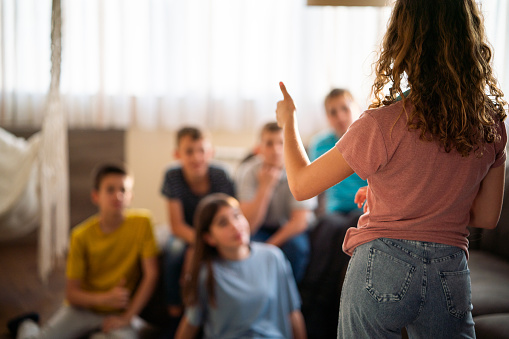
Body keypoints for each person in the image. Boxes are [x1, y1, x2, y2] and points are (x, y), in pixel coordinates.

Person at [275, 0, 507, 337]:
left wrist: (288, 122)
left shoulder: (384, 122)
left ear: (404, 41)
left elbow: (300, 185)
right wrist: (395, 192)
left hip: (381, 264)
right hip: (450, 270)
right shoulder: (492, 124)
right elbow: (486, 216)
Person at [8, 163, 160, 339]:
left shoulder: (143, 223)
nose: (118, 195)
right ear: (96, 196)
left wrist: (127, 317)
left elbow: (152, 275)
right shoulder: (80, 236)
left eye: (123, 190)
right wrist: (105, 299)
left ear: (131, 196)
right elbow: (72, 294)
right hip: (82, 309)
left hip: (118, 314)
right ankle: (26, 324)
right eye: (110, 189)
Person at [175, 193, 307, 339]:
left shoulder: (273, 257)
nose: (235, 225)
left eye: (237, 216)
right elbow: (191, 322)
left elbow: (293, 312)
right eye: (223, 223)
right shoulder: (207, 273)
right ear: (209, 238)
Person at [160, 127, 235, 319]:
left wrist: (210, 240)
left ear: (211, 153)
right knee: (175, 253)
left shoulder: (221, 175)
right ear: (177, 154)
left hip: (214, 232)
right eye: (189, 151)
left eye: (201, 150)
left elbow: (228, 215)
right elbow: (176, 225)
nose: (196, 157)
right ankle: (174, 307)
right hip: (186, 232)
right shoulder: (172, 176)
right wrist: (198, 242)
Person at [235, 122, 317, 283]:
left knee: (296, 248)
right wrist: (265, 187)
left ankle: (292, 297)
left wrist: (270, 245)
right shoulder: (248, 171)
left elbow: (299, 222)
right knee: (245, 246)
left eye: (281, 143)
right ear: (259, 148)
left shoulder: (301, 170)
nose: (276, 150)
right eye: (269, 143)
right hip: (261, 227)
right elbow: (249, 225)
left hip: (290, 229)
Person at [308, 88, 367, 218]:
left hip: (365, 208)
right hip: (335, 211)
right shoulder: (319, 145)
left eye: (345, 109)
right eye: (333, 112)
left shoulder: (369, 140)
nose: (340, 117)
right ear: (327, 117)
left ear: (358, 109)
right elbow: (313, 186)